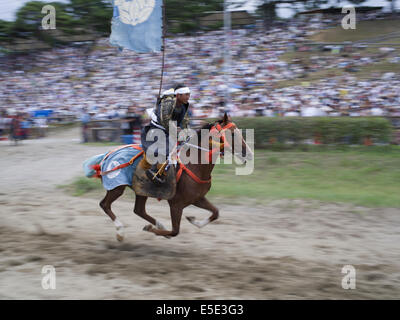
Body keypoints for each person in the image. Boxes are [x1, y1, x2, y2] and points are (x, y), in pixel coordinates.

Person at [141, 84, 191, 184]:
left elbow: (185, 121)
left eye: (189, 94)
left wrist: (186, 133)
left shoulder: (184, 105)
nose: (188, 97)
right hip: (156, 129)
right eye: (186, 94)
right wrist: (175, 130)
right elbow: (164, 120)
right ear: (178, 95)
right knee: (166, 149)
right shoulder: (168, 102)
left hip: (170, 130)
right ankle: (155, 172)